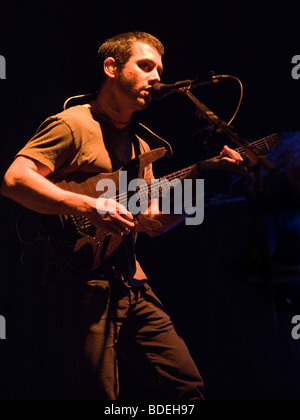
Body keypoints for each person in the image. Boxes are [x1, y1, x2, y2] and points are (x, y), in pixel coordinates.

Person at [1, 31, 243, 400]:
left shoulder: (140, 144)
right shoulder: (73, 124)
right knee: (101, 394)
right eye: (145, 66)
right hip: (81, 283)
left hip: (133, 283)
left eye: (159, 70)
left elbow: (151, 223)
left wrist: (204, 182)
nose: (156, 77)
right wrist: (86, 205)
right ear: (111, 67)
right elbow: (14, 180)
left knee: (187, 385)